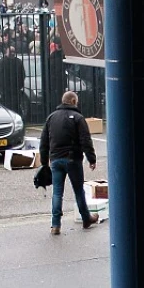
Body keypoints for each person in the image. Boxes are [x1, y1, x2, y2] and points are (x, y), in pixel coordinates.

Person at [40, 91, 98, 235]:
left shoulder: (51, 118)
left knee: (57, 193)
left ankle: (55, 225)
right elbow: (85, 140)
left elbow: (44, 142)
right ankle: (86, 218)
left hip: (55, 160)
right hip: (73, 160)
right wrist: (91, 158)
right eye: (76, 101)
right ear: (72, 101)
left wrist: (44, 163)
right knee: (78, 190)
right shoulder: (78, 118)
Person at [0, 46, 26, 114]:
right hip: (5, 89)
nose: (12, 53)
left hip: (13, 89)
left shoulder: (17, 62)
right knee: (8, 106)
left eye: (13, 51)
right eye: (11, 51)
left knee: (14, 106)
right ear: (6, 52)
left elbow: (22, 75)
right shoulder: (1, 62)